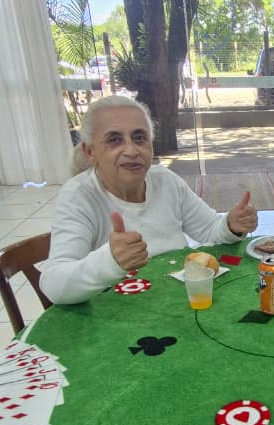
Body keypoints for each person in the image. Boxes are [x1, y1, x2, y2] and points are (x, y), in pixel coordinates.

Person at [40, 95, 257, 305]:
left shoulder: (165, 180)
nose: (132, 150)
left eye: (139, 138)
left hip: (178, 304)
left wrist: (230, 225)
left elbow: (209, 229)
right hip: (116, 316)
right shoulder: (78, 196)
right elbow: (54, 284)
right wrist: (110, 261)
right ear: (90, 151)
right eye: (114, 140)